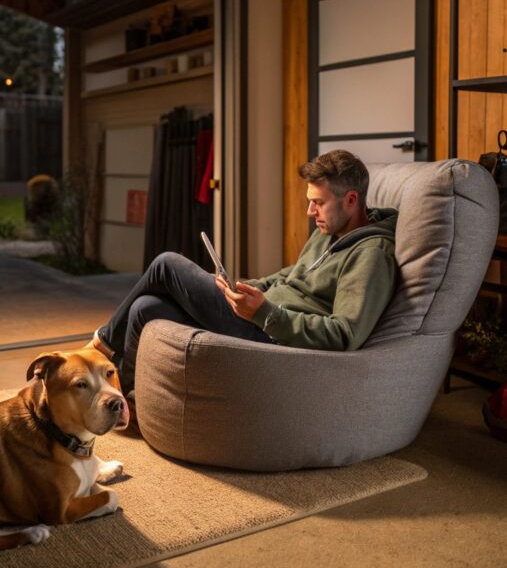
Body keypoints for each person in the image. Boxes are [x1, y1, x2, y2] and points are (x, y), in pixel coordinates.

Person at [92, 150, 398, 394]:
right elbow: (292, 276)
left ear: (352, 200)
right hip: (259, 316)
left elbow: (345, 334)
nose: (309, 212)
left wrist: (264, 313)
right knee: (146, 308)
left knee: (166, 264)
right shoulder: (329, 232)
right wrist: (245, 287)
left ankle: (99, 347)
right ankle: (121, 395)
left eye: (318, 203)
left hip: (273, 338)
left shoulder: (371, 256)